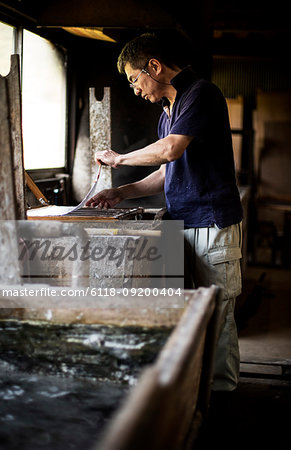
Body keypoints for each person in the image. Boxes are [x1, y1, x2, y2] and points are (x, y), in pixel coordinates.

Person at [86, 33, 243, 396]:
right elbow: (165, 172)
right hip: (182, 222)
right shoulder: (167, 113)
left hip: (211, 224)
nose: (136, 90)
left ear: (154, 67)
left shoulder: (201, 94)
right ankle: (194, 398)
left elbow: (171, 151)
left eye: (134, 79)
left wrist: (119, 158)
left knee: (217, 315)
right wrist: (119, 191)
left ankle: (222, 397)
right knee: (189, 317)